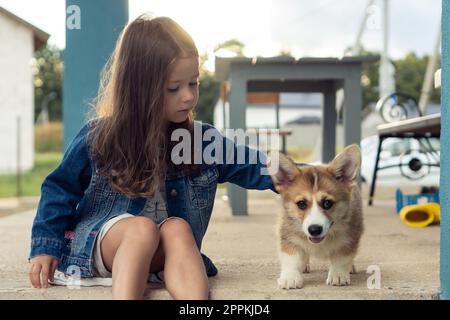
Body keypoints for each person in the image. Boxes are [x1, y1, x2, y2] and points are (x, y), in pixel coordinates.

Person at [28, 14, 275, 300]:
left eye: (193, 84)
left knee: (178, 228)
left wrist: (317, 178)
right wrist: (44, 247)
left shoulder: (201, 142)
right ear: (139, 88)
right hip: (105, 246)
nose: (188, 96)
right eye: (174, 88)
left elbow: (256, 166)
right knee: (142, 229)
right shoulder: (99, 136)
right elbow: (60, 189)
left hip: (162, 256)